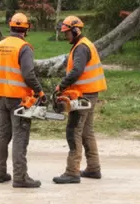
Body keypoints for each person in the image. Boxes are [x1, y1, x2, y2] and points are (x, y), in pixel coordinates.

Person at [0, 12, 44, 189]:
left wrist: (0, 87)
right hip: (19, 99)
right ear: (26, 29)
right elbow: (28, 73)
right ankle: (20, 177)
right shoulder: (24, 47)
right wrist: (39, 91)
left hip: (1, 96)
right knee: (20, 136)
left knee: (3, 136)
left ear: (10, 26)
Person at [52, 16, 107, 184]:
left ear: (75, 30)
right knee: (86, 131)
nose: (65, 36)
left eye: (67, 33)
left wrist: (61, 86)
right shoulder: (83, 44)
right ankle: (93, 168)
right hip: (91, 93)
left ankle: (72, 172)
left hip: (83, 95)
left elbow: (76, 71)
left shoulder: (81, 48)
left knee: (73, 130)